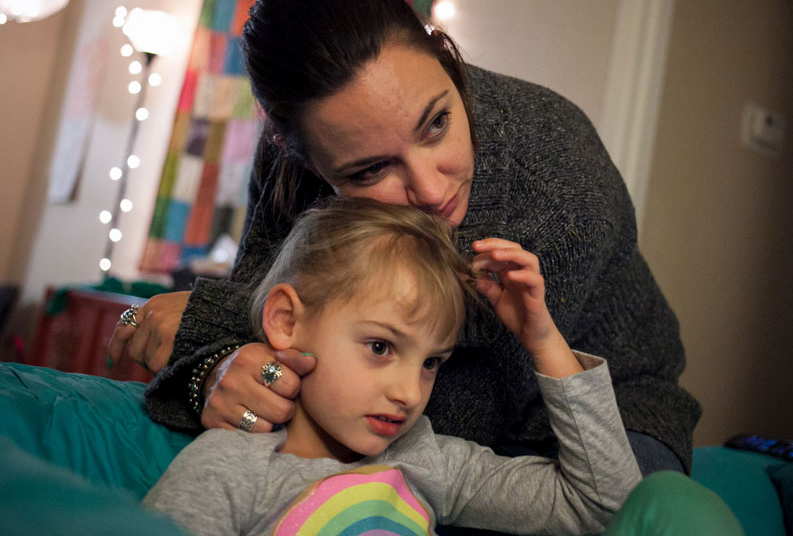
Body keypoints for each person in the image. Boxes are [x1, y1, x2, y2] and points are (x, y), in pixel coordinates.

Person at [110, 0, 701, 478]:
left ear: (443, 54)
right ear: (305, 159)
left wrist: (198, 318)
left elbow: (437, 379)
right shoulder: (293, 163)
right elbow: (272, 309)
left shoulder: (553, 167)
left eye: (436, 124)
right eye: (369, 171)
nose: (430, 187)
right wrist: (216, 368)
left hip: (611, 414)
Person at [143, 197, 644, 534]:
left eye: (431, 362)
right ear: (287, 321)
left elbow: (604, 505)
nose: (408, 392)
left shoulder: (427, 461)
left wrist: (542, 339)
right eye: (381, 347)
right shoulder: (230, 469)